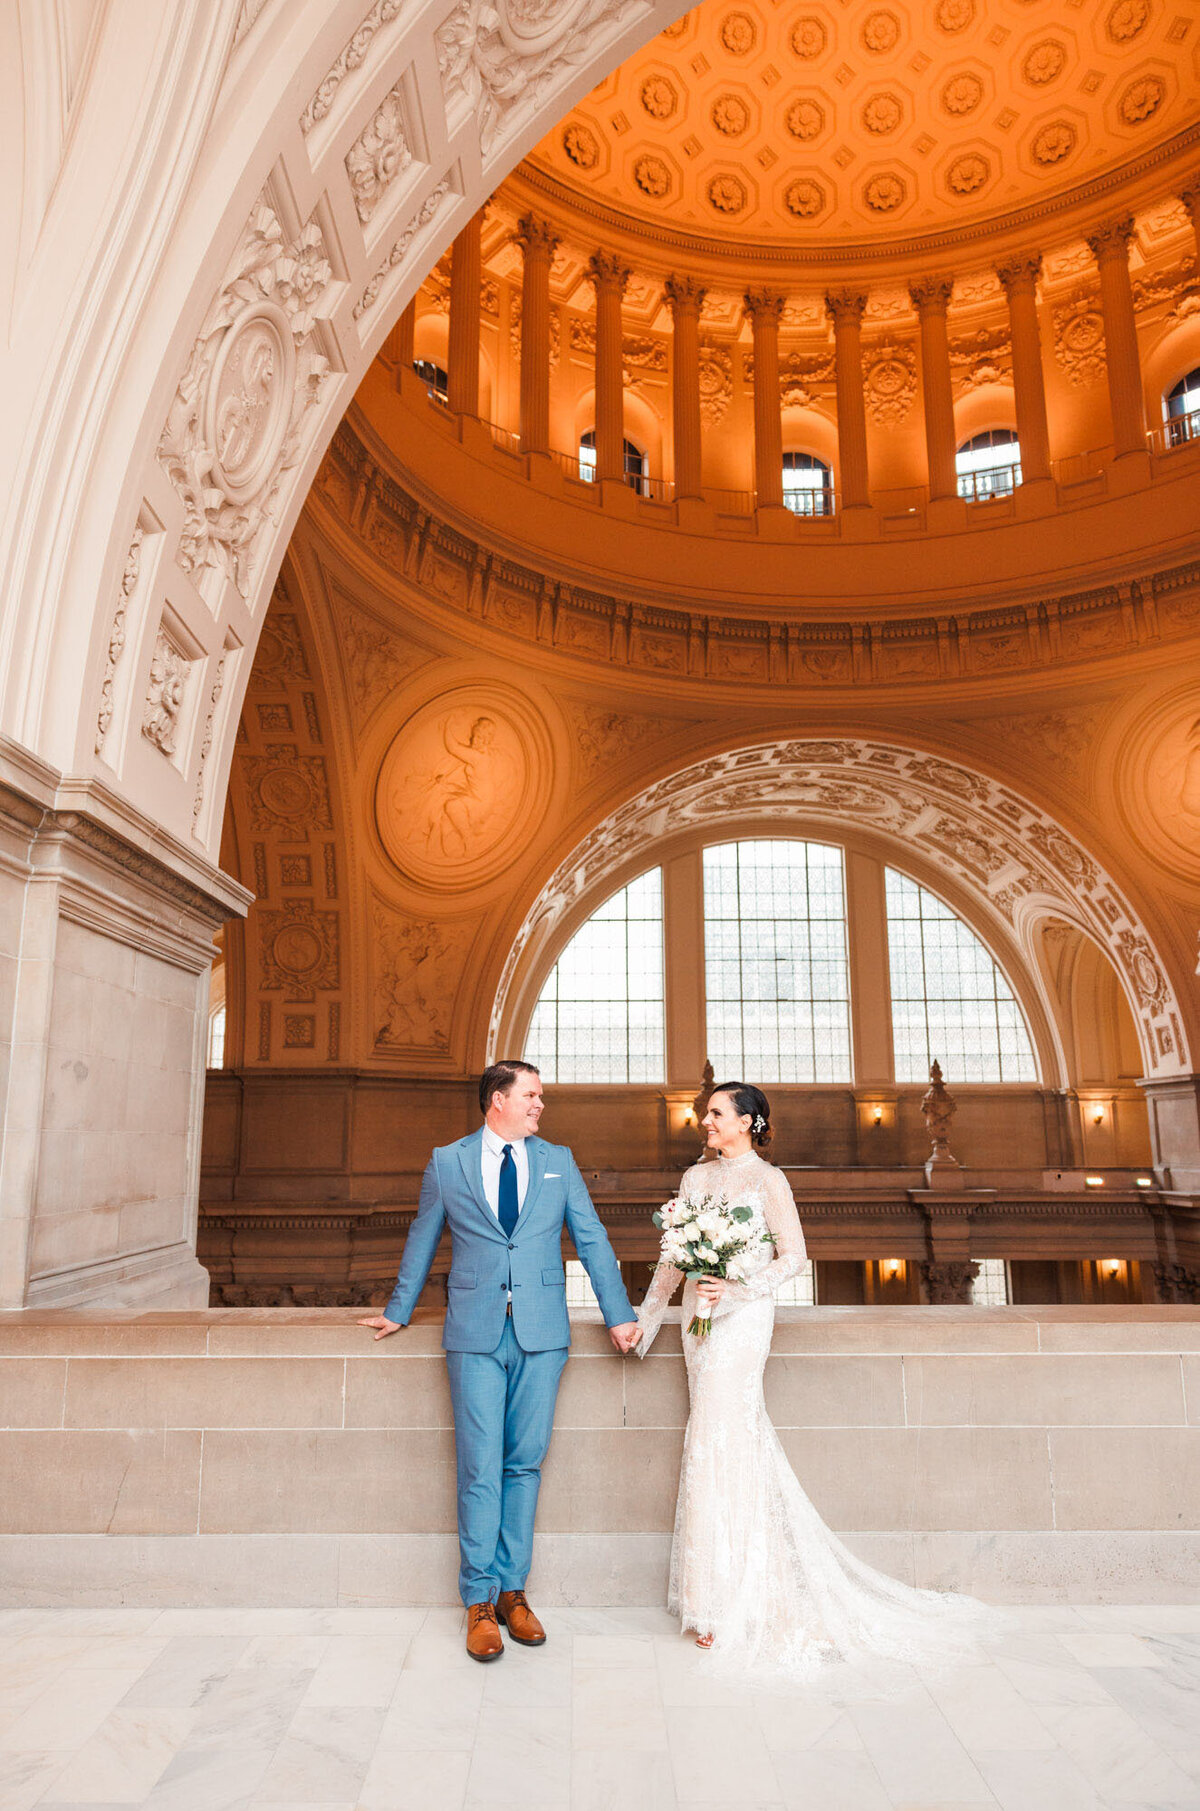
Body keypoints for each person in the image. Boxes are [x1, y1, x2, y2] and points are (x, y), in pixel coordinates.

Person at [635, 1079, 993, 1681]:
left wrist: (738, 1291)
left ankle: (737, 1597)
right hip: (698, 1320)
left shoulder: (769, 1181)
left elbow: (794, 1256)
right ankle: (710, 1593)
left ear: (747, 1121)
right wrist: (644, 1322)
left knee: (726, 1433)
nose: (706, 1121)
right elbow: (674, 1258)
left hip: (743, 1320)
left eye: (716, 1113)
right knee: (709, 1437)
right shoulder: (695, 1181)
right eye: (706, 1114)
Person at [360, 1060, 640, 1662]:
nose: (540, 1105)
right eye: (532, 1096)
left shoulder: (558, 1161)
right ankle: (478, 1601)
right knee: (479, 1467)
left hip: (543, 1333)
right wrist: (400, 1308)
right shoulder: (448, 1161)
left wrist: (618, 1314)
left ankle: (515, 1593)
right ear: (498, 1100)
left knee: (525, 1464)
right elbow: (423, 1234)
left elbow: (591, 1237)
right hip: (474, 1333)